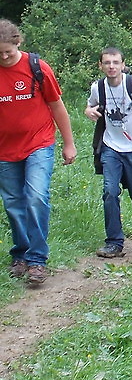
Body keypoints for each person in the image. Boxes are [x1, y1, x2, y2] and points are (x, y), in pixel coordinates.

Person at [0, 19, 77, 285]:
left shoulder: (37, 68)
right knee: (13, 204)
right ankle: (20, 253)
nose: (4, 57)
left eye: (8, 51)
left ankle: (37, 260)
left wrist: (68, 143)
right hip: (5, 150)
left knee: (36, 197)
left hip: (38, 143)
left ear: (18, 43)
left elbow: (57, 106)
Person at [84, 47, 132, 257]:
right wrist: (88, 111)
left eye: (116, 62)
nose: (111, 67)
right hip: (111, 147)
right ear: (100, 65)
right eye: (107, 63)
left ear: (123, 65)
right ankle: (114, 242)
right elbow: (90, 106)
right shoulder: (98, 87)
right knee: (110, 192)